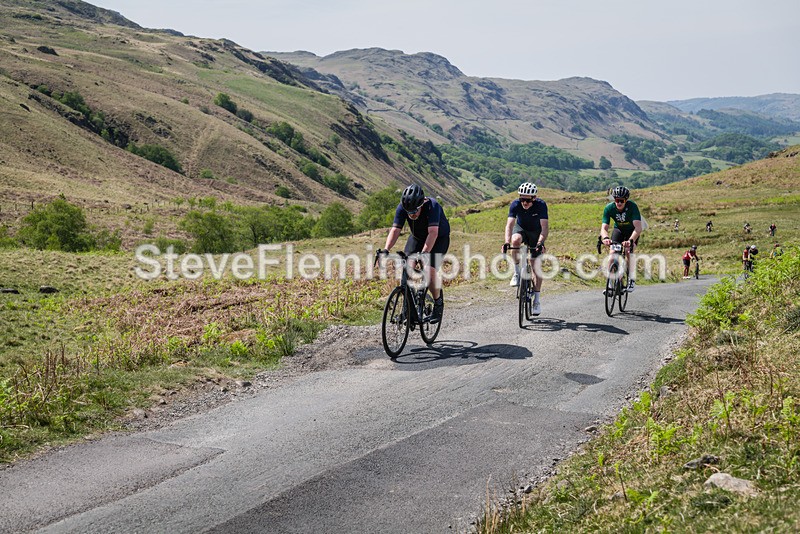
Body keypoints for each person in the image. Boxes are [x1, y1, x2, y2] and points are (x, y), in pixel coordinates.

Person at [382, 184, 450, 323]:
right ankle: (408, 309)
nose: (412, 215)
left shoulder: (433, 206)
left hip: (438, 238)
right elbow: (395, 230)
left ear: (422, 203)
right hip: (417, 237)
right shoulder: (402, 208)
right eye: (409, 212)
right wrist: (386, 249)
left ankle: (438, 303)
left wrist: (424, 253)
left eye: (415, 211)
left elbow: (433, 233)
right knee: (407, 266)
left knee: (428, 270)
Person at [503, 182, 549, 315]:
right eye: (522, 199)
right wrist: (506, 242)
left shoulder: (541, 205)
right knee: (515, 240)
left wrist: (540, 242)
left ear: (534, 198)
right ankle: (517, 272)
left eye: (527, 200)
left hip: (536, 232)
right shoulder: (515, 204)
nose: (524, 203)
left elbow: (545, 227)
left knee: (536, 267)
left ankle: (537, 301)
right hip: (521, 229)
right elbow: (509, 226)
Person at [600, 185, 642, 292]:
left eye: (621, 201)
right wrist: (605, 238)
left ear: (626, 200)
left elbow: (638, 228)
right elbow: (604, 227)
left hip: (632, 232)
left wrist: (630, 241)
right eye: (616, 200)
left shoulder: (632, 207)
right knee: (612, 252)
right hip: (618, 230)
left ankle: (631, 278)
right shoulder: (609, 208)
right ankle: (610, 282)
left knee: (628, 251)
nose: (619, 203)